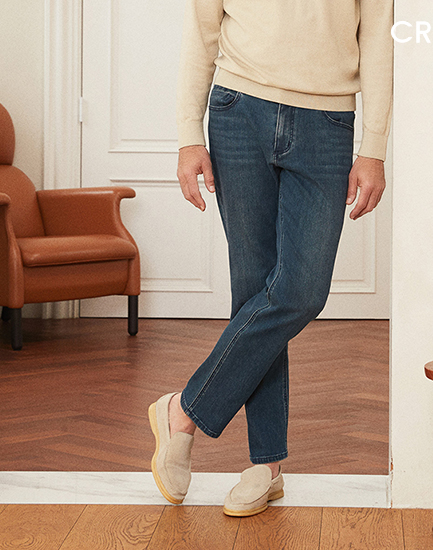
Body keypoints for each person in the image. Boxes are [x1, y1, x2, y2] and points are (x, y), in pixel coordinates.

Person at [148, 0, 393, 517]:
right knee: (254, 291)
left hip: (328, 120)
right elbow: (202, 31)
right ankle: (267, 466)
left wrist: (374, 146)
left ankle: (183, 411)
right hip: (238, 110)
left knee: (299, 292)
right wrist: (189, 135)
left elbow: (377, 36)